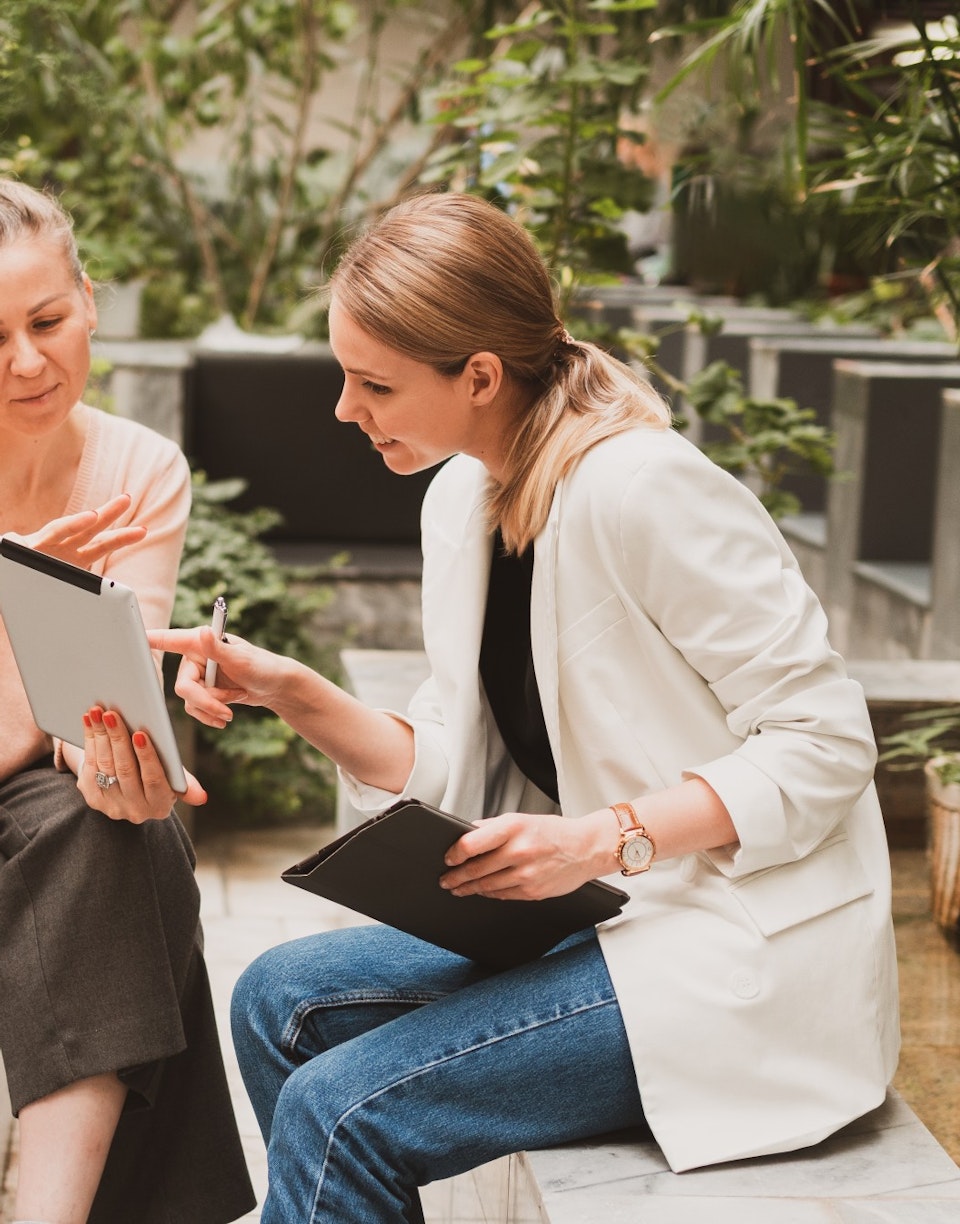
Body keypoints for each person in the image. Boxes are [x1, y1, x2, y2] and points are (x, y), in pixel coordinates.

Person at [152, 191, 900, 1223]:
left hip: (733, 944)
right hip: (608, 912)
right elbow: (456, 759)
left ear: (481, 376)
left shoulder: (643, 488)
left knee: (342, 1110)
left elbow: (827, 742)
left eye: (374, 383)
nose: (343, 409)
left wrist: (605, 839)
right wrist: (295, 693)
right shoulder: (464, 496)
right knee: (277, 1000)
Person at [0, 179, 255, 1224]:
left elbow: (92, 713)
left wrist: (121, 751)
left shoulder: (138, 468)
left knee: (126, 833)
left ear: (90, 302)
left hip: (29, 789)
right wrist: (20, 604)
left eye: (48, 321)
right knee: (137, 870)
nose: (27, 362)